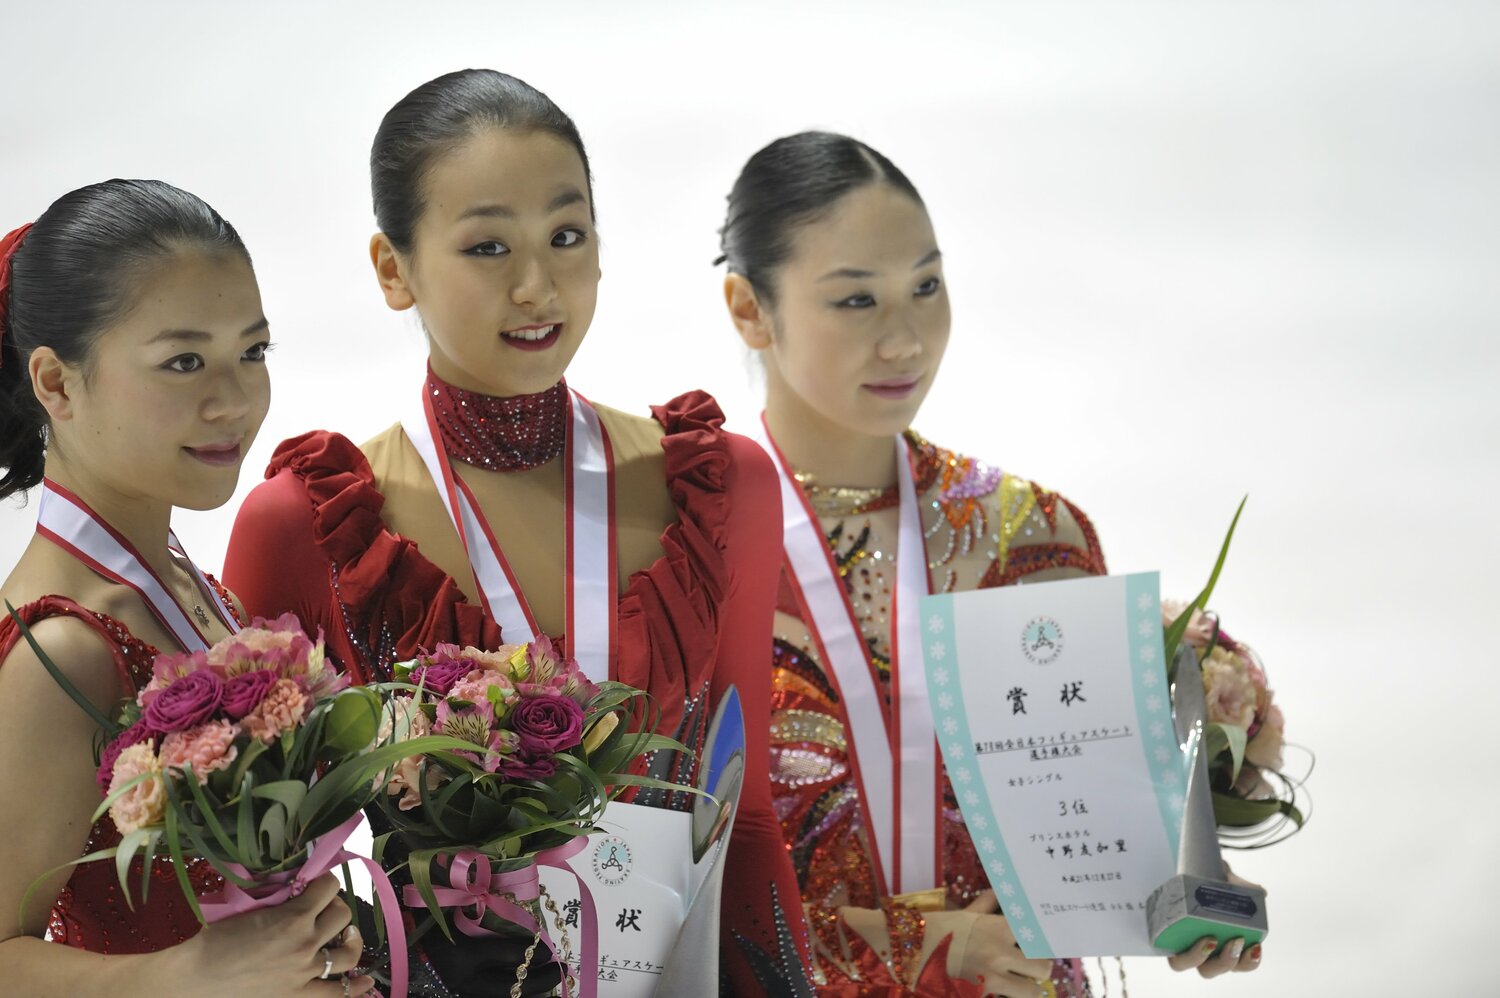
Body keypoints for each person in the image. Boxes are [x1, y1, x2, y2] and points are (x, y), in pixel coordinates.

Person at [222, 70, 803, 996]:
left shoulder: (723, 484)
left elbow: (752, 820)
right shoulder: (308, 524)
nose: (539, 285)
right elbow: (254, 876)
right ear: (392, 269)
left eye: (567, 236)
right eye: (488, 246)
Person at [717, 132, 1263, 996]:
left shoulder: (1031, 536)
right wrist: (918, 947)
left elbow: (1103, 830)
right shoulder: (693, 544)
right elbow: (660, 878)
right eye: (856, 301)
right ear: (750, 308)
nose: (905, 339)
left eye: (926, 287)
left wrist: (1195, 893)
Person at [0, 180, 374, 996]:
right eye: (182, 361)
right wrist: (189, 974)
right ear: (56, 385)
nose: (234, 398)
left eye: (253, 351)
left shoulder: (189, 586)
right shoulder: (63, 650)